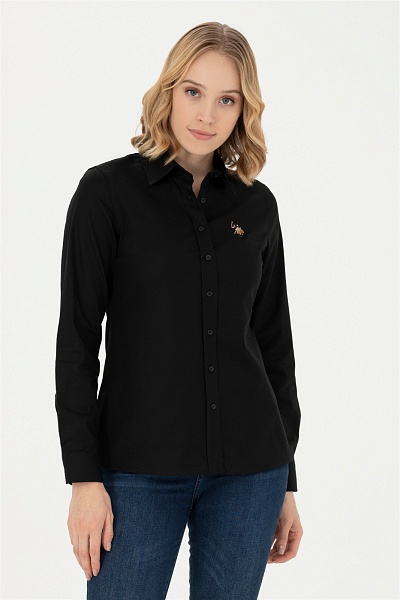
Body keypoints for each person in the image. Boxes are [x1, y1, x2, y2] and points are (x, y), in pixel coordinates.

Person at [55, 21, 303, 600]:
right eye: (193, 91)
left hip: (250, 473)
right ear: (168, 90)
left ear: (244, 110)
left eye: (227, 99)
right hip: (136, 472)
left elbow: (274, 345)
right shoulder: (106, 194)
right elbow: (77, 341)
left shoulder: (257, 207)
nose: (206, 115)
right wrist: (83, 478)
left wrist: (287, 481)